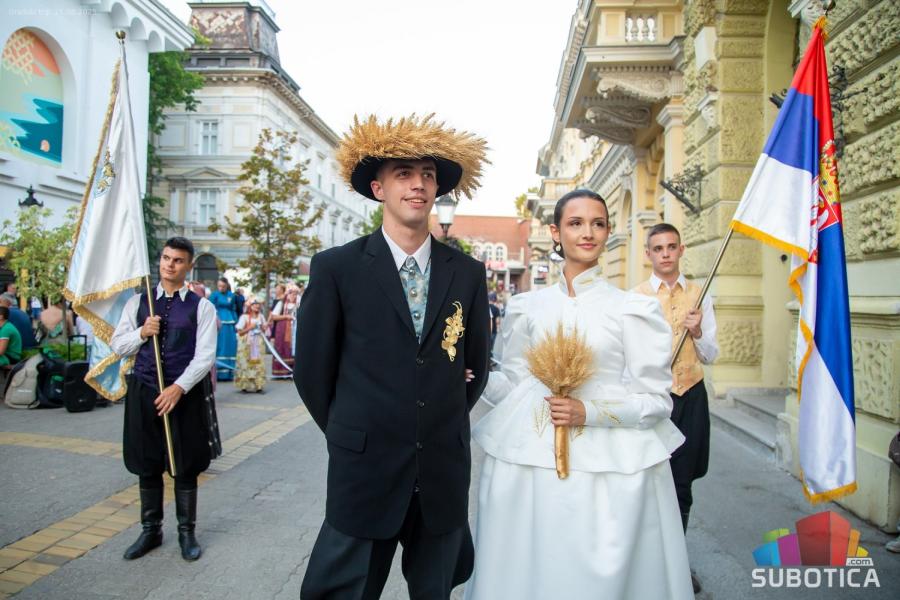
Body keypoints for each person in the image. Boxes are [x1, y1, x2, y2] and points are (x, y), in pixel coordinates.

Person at [295, 113, 491, 599]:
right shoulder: (336, 268)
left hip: (442, 468)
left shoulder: (466, 273)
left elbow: (476, 366)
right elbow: (312, 373)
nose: (418, 184)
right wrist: (353, 429)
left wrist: (436, 411)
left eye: (427, 175)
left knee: (436, 590)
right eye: (403, 173)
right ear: (379, 188)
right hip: (365, 469)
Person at [465, 189, 692, 600]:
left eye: (598, 223)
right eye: (575, 223)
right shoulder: (526, 306)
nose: (588, 232)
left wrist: (590, 412)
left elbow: (658, 401)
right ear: (555, 232)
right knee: (530, 569)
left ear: (607, 232)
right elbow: (515, 388)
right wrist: (468, 375)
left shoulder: (632, 309)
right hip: (528, 470)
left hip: (610, 474)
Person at [110, 237, 218, 562]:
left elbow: (205, 356)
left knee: (184, 464)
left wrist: (178, 387)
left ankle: (187, 532)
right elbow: (118, 345)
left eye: (178, 260)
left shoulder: (202, 307)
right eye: (166, 258)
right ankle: (150, 531)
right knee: (147, 462)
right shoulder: (139, 304)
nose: (170, 265)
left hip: (183, 395)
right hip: (144, 390)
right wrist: (142, 333)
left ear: (188, 266)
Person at [634, 222, 718, 594]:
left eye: (671, 247)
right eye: (658, 248)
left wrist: (698, 333)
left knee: (682, 483)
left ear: (681, 250)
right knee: (649, 480)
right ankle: (646, 560)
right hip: (654, 398)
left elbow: (712, 354)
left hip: (691, 396)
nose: (665, 253)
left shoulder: (699, 295)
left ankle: (677, 564)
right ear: (648, 254)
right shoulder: (635, 298)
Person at [234, 298, 267, 393]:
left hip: (258, 343)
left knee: (258, 364)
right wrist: (249, 328)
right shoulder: (244, 317)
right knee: (245, 363)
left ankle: (259, 385)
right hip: (247, 344)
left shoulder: (261, 316)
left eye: (258, 304)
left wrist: (264, 327)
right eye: (254, 304)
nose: (257, 306)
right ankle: (244, 385)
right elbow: (240, 332)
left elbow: (265, 330)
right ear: (249, 306)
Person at [209, 278, 237, 381]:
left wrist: (236, 321)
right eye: (219, 286)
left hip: (230, 322)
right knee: (221, 345)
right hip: (219, 321)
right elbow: (210, 308)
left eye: (223, 286)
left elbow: (233, 308)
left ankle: (229, 372)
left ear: (227, 286)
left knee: (230, 345)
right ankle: (220, 373)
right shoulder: (214, 295)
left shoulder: (231, 295)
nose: (221, 288)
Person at [270, 285, 299, 379]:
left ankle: (293, 371)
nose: (293, 295)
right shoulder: (281, 303)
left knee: (293, 349)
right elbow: (274, 316)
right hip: (282, 330)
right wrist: (286, 317)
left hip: (295, 329)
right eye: (292, 293)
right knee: (282, 348)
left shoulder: (298, 304)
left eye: (295, 293)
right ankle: (281, 371)